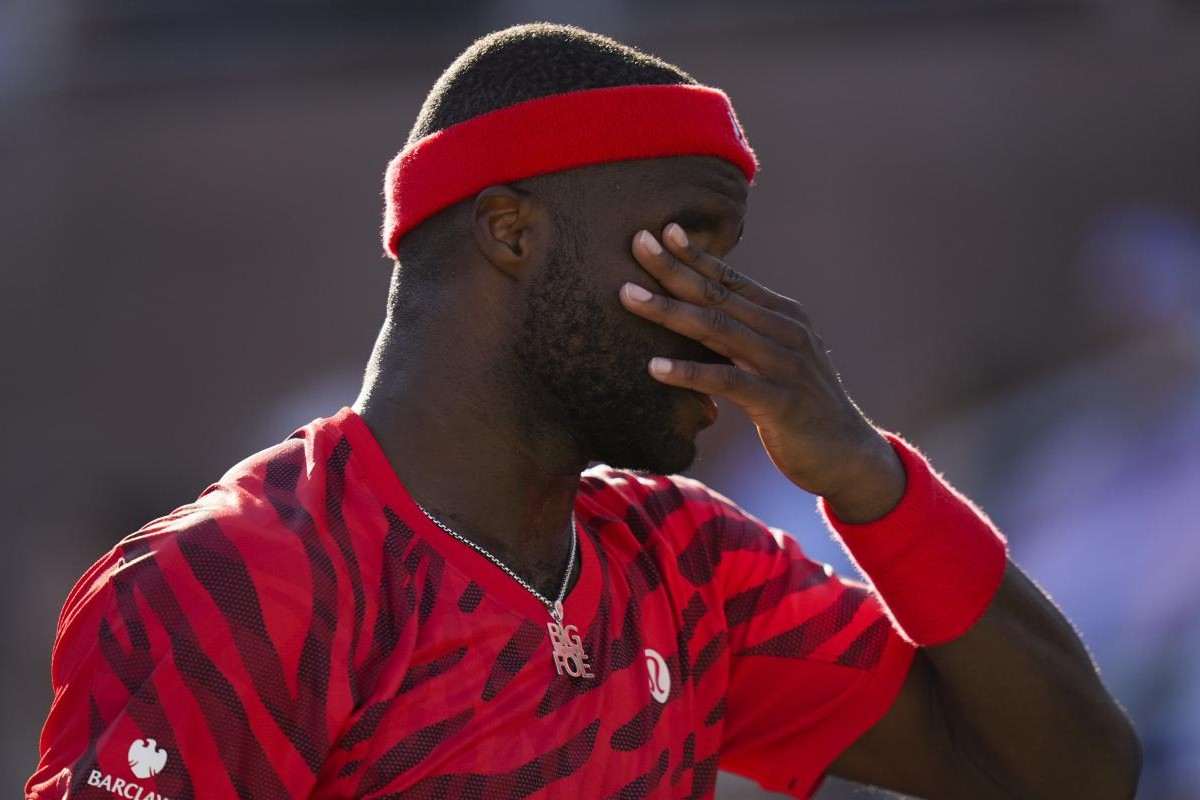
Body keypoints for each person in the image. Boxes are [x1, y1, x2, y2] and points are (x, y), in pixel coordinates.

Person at [26, 22, 1140, 800]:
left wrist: (867, 478)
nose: (730, 312)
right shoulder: (237, 579)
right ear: (513, 234)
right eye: (687, 243)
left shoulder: (688, 561)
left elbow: (1069, 770)